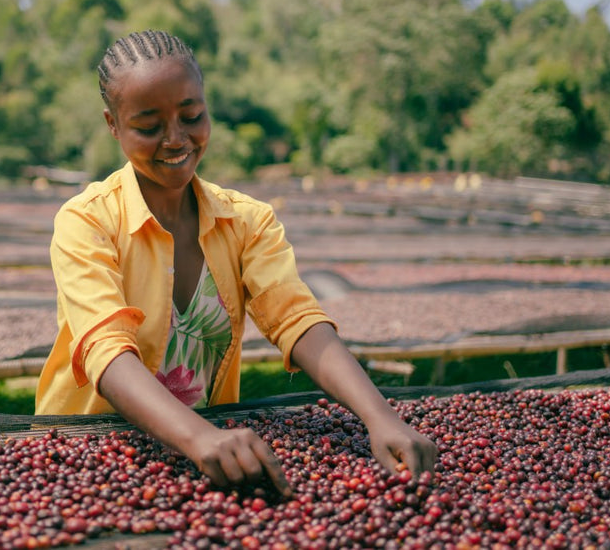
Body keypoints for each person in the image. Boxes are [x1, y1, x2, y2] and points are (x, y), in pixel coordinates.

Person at [35, 29, 436, 496]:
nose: (175, 139)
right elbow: (106, 351)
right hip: (86, 456)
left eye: (192, 116)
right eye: (148, 126)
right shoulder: (87, 221)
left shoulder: (247, 221)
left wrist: (379, 416)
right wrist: (200, 436)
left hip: (204, 460)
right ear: (113, 124)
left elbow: (296, 318)